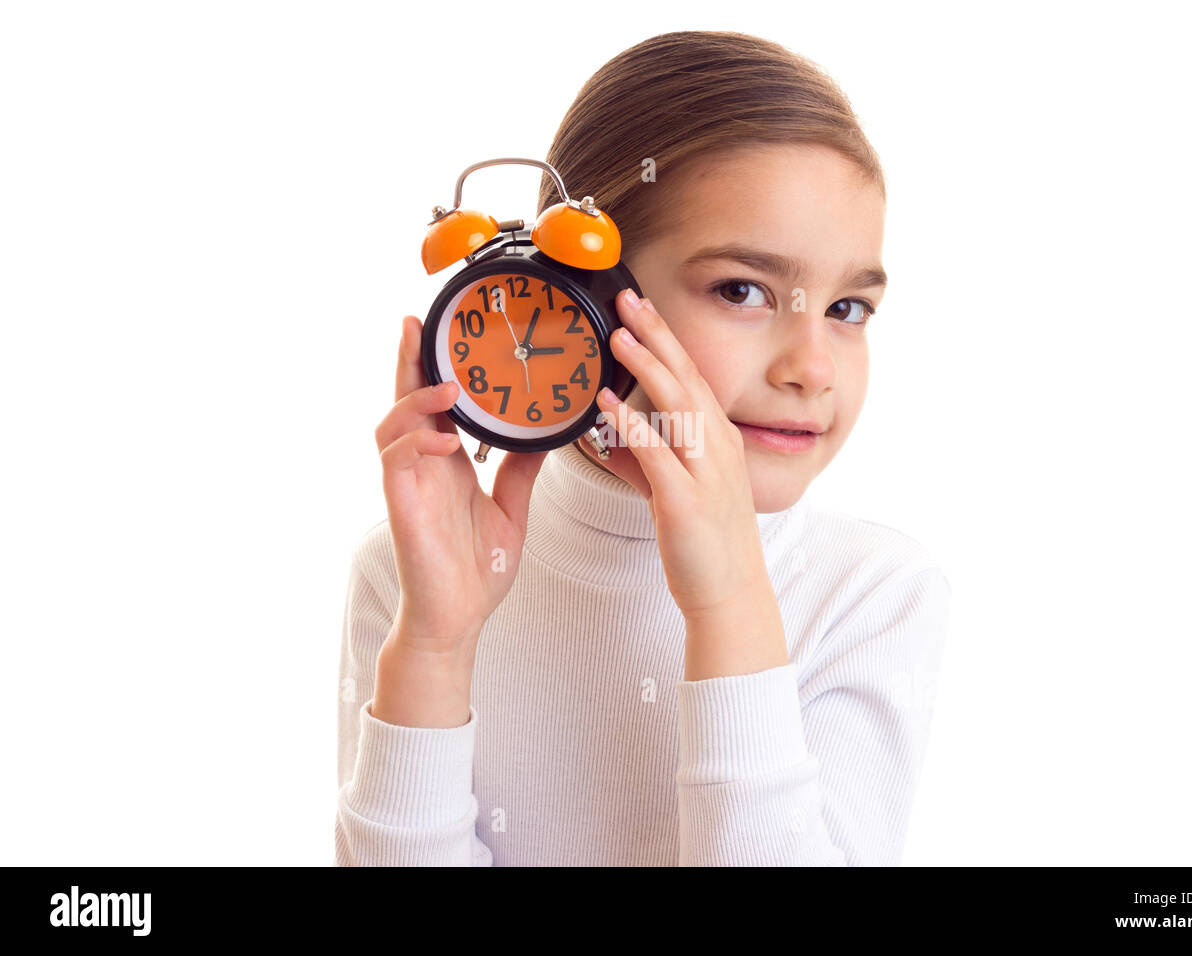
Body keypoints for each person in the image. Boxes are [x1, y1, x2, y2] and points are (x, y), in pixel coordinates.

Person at [336, 29, 951, 866]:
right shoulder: (409, 574)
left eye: (847, 309)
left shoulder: (872, 596)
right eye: (742, 290)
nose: (812, 368)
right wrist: (436, 647)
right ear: (581, 292)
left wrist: (730, 597)